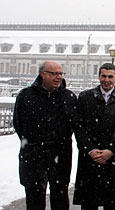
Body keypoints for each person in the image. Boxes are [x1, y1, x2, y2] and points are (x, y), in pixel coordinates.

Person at [13, 60, 77, 210]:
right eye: (54, 73)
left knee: (60, 196)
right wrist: (33, 142)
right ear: (43, 74)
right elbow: (19, 124)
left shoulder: (69, 98)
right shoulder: (26, 96)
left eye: (61, 73)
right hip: (33, 155)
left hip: (60, 155)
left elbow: (73, 126)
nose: (59, 77)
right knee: (34, 197)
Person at [73, 63, 115, 210]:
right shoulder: (85, 97)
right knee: (88, 203)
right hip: (89, 159)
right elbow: (78, 126)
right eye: (103, 76)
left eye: (110, 76)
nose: (106, 80)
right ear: (98, 76)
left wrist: (111, 151)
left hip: (112, 160)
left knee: (110, 204)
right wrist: (90, 150)